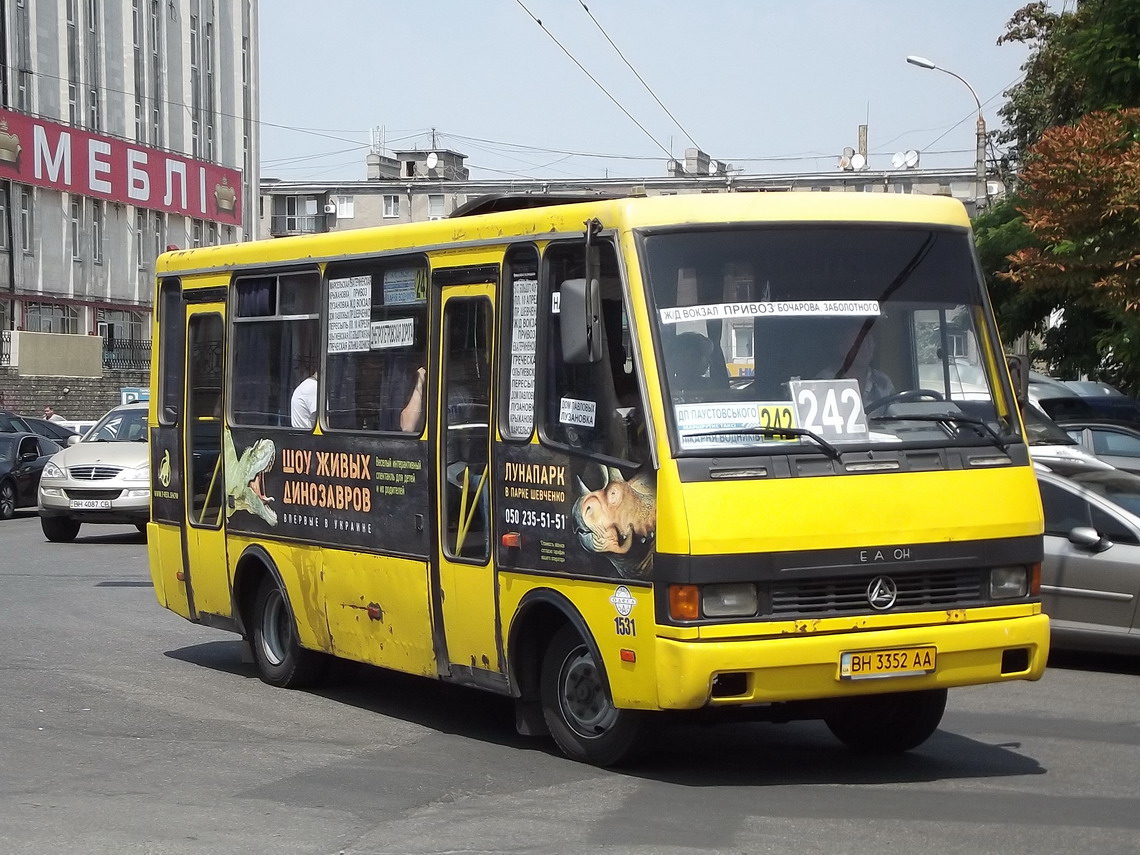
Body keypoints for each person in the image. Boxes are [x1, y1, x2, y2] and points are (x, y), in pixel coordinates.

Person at [821, 321, 894, 404]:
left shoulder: (883, 382)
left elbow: (895, 412)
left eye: (869, 341)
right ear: (842, 348)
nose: (866, 348)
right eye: (859, 344)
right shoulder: (826, 382)